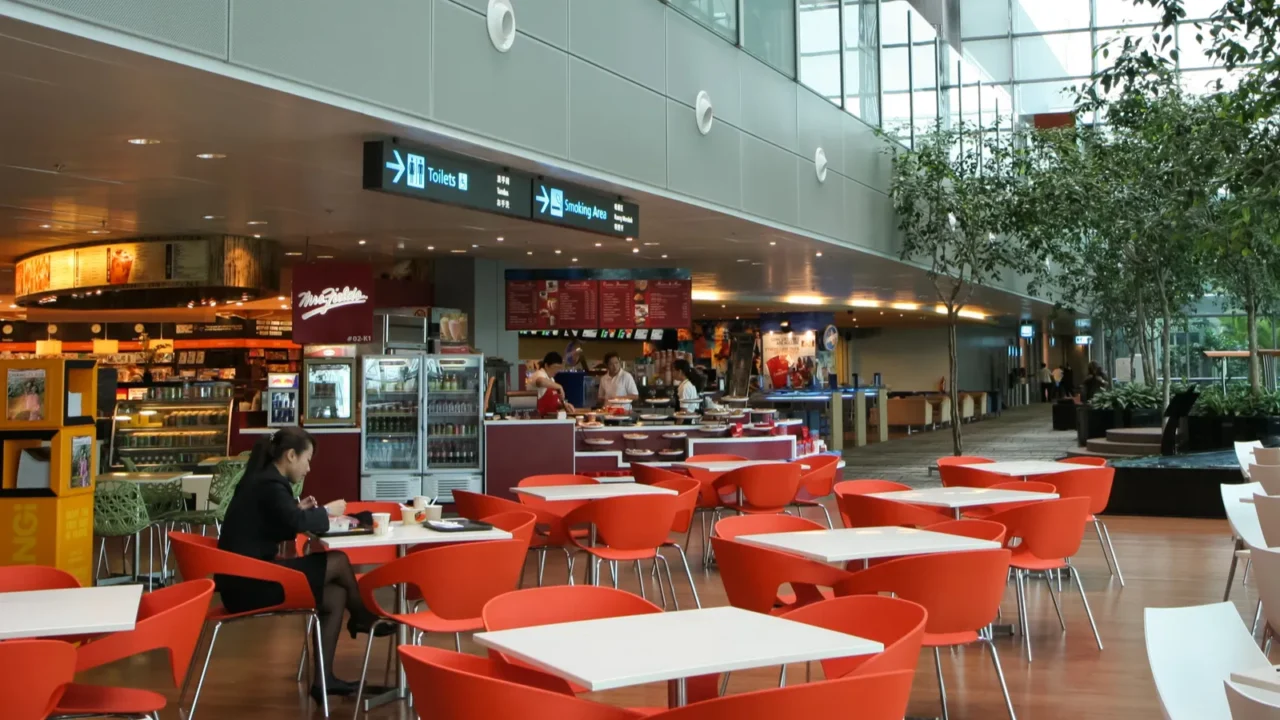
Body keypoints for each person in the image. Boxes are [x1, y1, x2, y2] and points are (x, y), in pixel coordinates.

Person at [216, 427, 390, 701]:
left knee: (335, 594)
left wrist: (298, 511)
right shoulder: (271, 485)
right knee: (339, 560)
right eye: (307, 460)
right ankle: (362, 616)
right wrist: (325, 512)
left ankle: (324, 680)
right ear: (290, 455)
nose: (309, 468)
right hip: (251, 585)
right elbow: (294, 525)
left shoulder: (263, 480)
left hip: (243, 580)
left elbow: (276, 523)